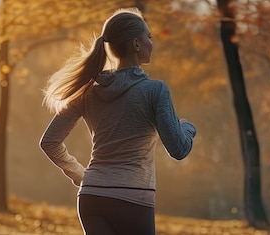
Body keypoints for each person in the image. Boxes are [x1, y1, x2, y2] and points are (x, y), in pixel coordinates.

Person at [39, 8, 196, 235]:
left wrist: (80, 175)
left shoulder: (88, 92)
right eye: (149, 37)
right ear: (136, 44)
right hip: (131, 196)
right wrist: (188, 128)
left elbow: (49, 142)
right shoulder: (155, 91)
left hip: (91, 196)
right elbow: (179, 149)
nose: (153, 43)